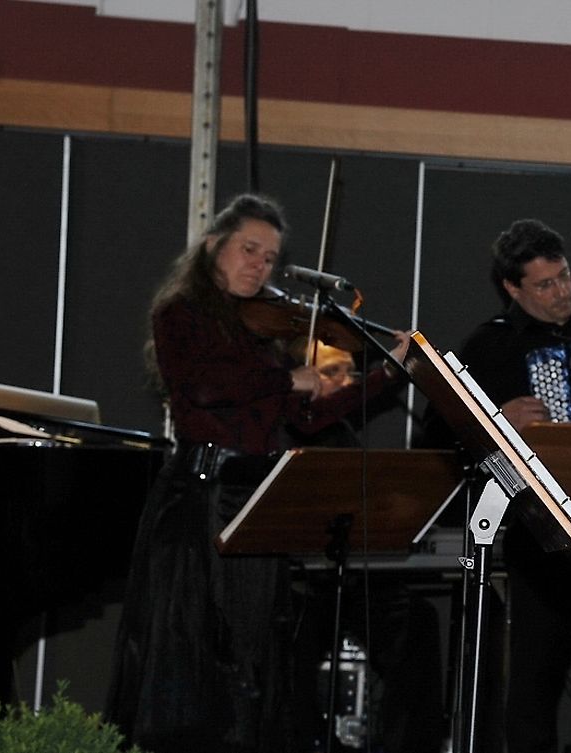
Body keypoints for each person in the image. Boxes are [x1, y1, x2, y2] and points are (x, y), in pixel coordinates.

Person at [105, 194, 409, 753]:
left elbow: (307, 418)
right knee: (188, 650)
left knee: (251, 653)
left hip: (252, 500)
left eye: (269, 258)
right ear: (213, 247)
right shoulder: (180, 315)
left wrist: (385, 375)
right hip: (198, 503)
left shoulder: (260, 337)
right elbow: (204, 388)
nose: (260, 266)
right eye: (249, 250)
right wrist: (287, 379)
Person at [427, 218, 571, 753]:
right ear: (513, 287)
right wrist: (498, 419)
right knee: (530, 689)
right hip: (538, 538)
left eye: (565, 276)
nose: (562, 292)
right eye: (545, 284)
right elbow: (437, 434)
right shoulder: (489, 346)